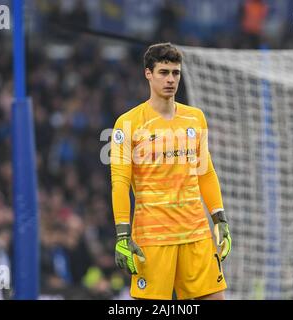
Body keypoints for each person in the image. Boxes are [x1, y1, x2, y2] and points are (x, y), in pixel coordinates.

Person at [110, 42, 231, 300]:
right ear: (148, 74)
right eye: (164, 72)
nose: (171, 79)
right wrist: (122, 234)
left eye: (175, 73)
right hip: (153, 239)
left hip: (196, 233)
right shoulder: (128, 123)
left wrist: (219, 219)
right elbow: (119, 182)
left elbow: (205, 173)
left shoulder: (195, 118)